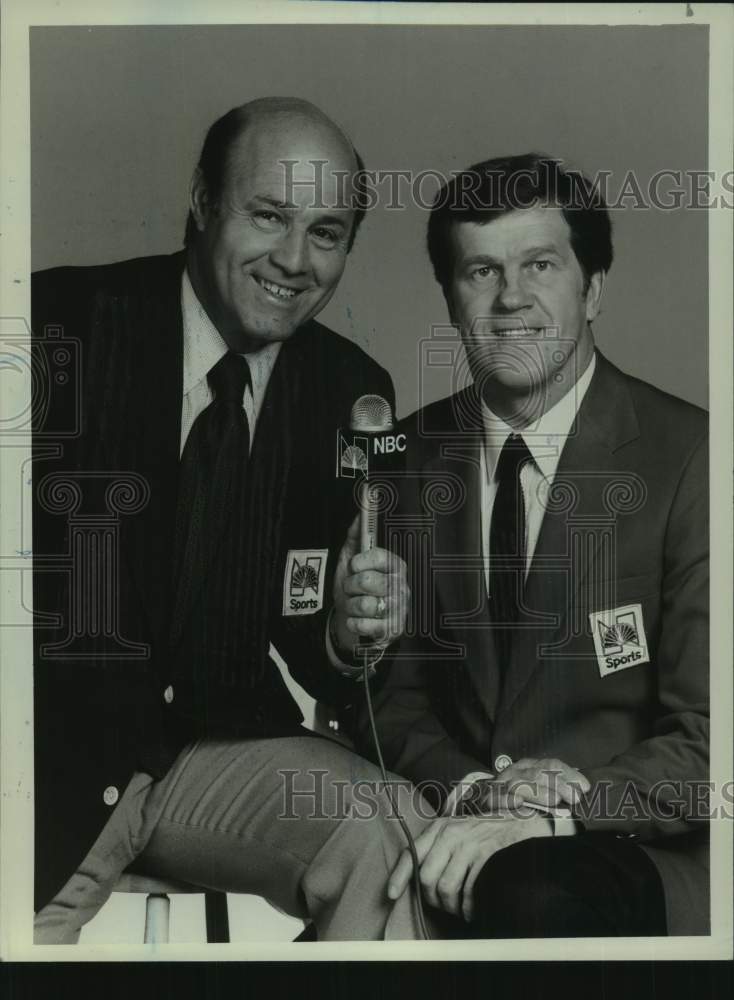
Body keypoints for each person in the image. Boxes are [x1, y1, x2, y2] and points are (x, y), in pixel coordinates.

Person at [31, 97, 429, 943]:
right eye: (269, 216)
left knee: (390, 836)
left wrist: (351, 636)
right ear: (203, 202)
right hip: (48, 763)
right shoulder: (52, 328)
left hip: (211, 749)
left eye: (325, 233)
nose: (293, 259)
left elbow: (318, 648)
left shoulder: (353, 391)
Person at [353, 153, 709, 937]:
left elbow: (714, 734)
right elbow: (393, 701)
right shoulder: (408, 458)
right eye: (481, 271)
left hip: (633, 844)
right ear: (450, 298)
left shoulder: (694, 459)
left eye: (539, 264)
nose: (511, 298)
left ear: (595, 288)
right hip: (455, 827)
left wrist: (553, 813)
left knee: (528, 900)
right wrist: (480, 792)